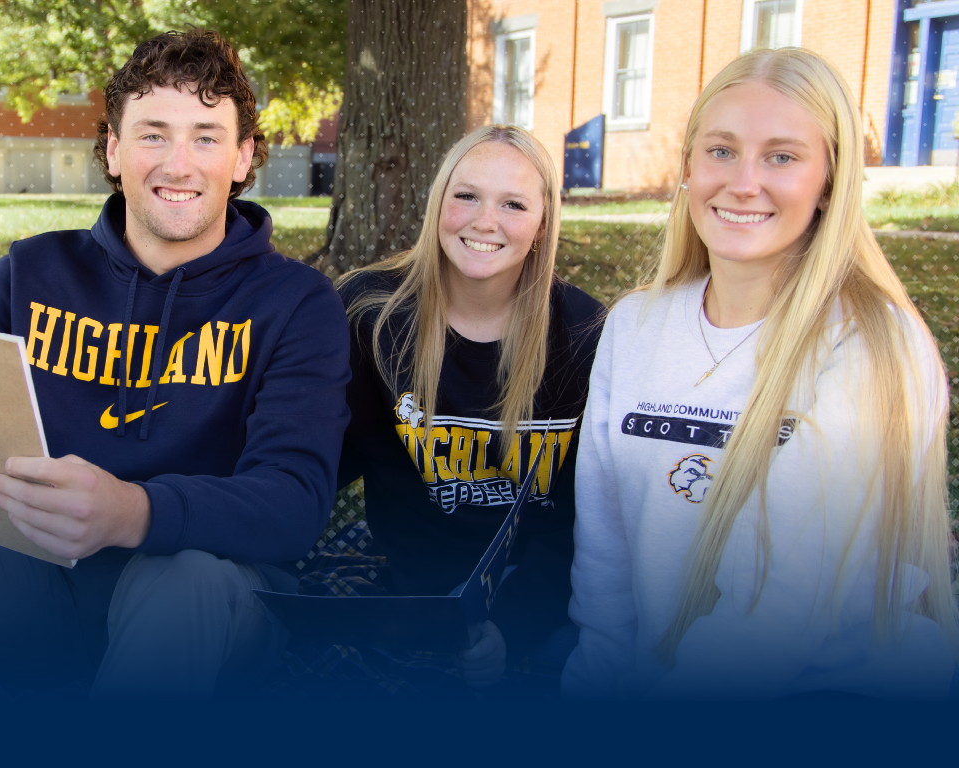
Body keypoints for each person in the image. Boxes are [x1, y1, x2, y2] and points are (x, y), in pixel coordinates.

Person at [0, 29, 350, 698]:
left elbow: (295, 502)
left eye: (207, 138)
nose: (179, 165)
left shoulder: (297, 303)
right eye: (153, 134)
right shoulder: (29, 272)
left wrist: (132, 512)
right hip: (37, 588)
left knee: (187, 576)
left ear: (244, 158)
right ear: (113, 149)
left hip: (206, 602)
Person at [563, 48, 959, 700]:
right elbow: (605, 567)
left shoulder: (876, 345)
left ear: (829, 180)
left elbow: (776, 620)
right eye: (721, 150)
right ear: (687, 166)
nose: (744, 181)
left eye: (781, 156)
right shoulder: (634, 326)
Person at [336, 125, 606, 689]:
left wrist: (511, 624)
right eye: (467, 196)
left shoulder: (586, 334)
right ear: (439, 204)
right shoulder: (371, 313)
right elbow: (323, 461)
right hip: (412, 590)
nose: (485, 221)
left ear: (542, 224)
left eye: (513, 204)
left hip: (538, 595)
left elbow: (587, 521)